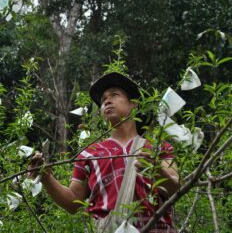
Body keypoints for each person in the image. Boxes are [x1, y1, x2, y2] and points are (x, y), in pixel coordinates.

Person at [29, 72, 179, 232]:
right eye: (102, 100)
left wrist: (157, 171)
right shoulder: (89, 154)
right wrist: (46, 178)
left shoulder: (158, 148)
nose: (107, 101)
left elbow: (175, 188)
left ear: (134, 104)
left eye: (115, 95)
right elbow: (73, 202)